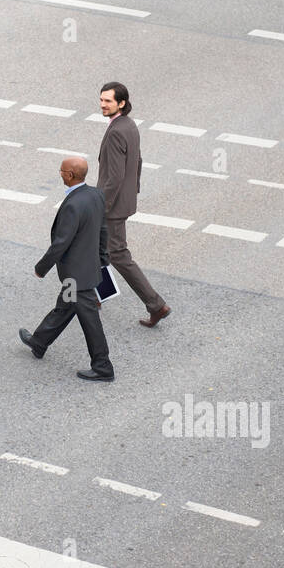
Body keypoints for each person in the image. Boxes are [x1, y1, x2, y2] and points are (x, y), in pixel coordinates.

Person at [18, 157, 115, 382]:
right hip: (86, 268)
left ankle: (103, 366)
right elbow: (103, 229)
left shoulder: (73, 204)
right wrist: (103, 257)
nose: (59, 173)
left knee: (90, 320)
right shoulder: (96, 194)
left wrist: (42, 268)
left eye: (61, 171)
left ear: (70, 175)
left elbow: (61, 243)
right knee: (66, 305)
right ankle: (39, 342)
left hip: (76, 274)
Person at [98, 81, 170, 327]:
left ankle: (156, 305)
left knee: (118, 254)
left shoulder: (118, 130)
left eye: (108, 101)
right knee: (95, 246)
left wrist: (102, 206)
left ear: (122, 103)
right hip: (122, 201)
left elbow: (115, 176)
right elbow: (138, 160)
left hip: (112, 206)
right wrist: (134, 191)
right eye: (101, 100)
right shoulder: (129, 125)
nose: (102, 104)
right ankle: (97, 294)